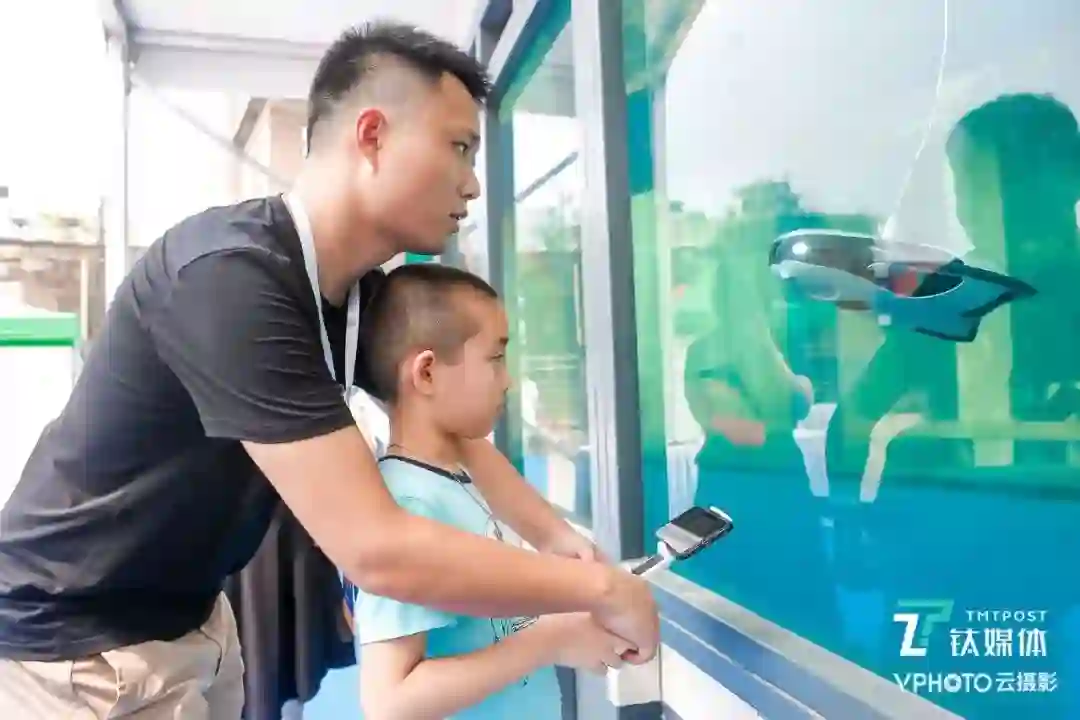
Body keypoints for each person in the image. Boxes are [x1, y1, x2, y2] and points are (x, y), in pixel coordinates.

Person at [0, 22, 657, 718]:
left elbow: (455, 434)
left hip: (195, 621)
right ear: (372, 136)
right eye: (459, 147)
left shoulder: (352, 295)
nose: (471, 183)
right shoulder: (228, 277)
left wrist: (560, 541)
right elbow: (377, 549)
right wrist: (599, 591)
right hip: (80, 649)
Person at [349, 263, 629, 720]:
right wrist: (551, 640)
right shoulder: (410, 503)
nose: (509, 380)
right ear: (426, 373)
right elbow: (390, 702)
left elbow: (485, 630)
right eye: (495, 358)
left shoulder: (450, 480)